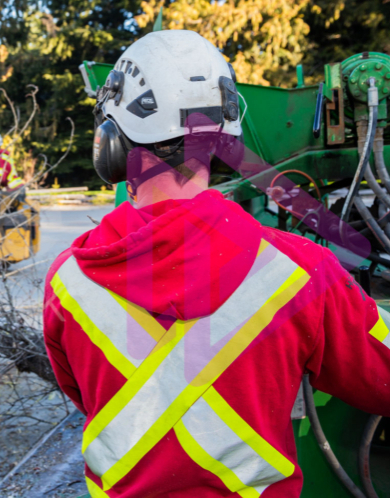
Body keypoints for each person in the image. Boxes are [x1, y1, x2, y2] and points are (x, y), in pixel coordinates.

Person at [43, 30, 390, 497]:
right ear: (224, 136)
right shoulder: (303, 272)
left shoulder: (66, 282)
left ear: (112, 141)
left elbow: (85, 396)